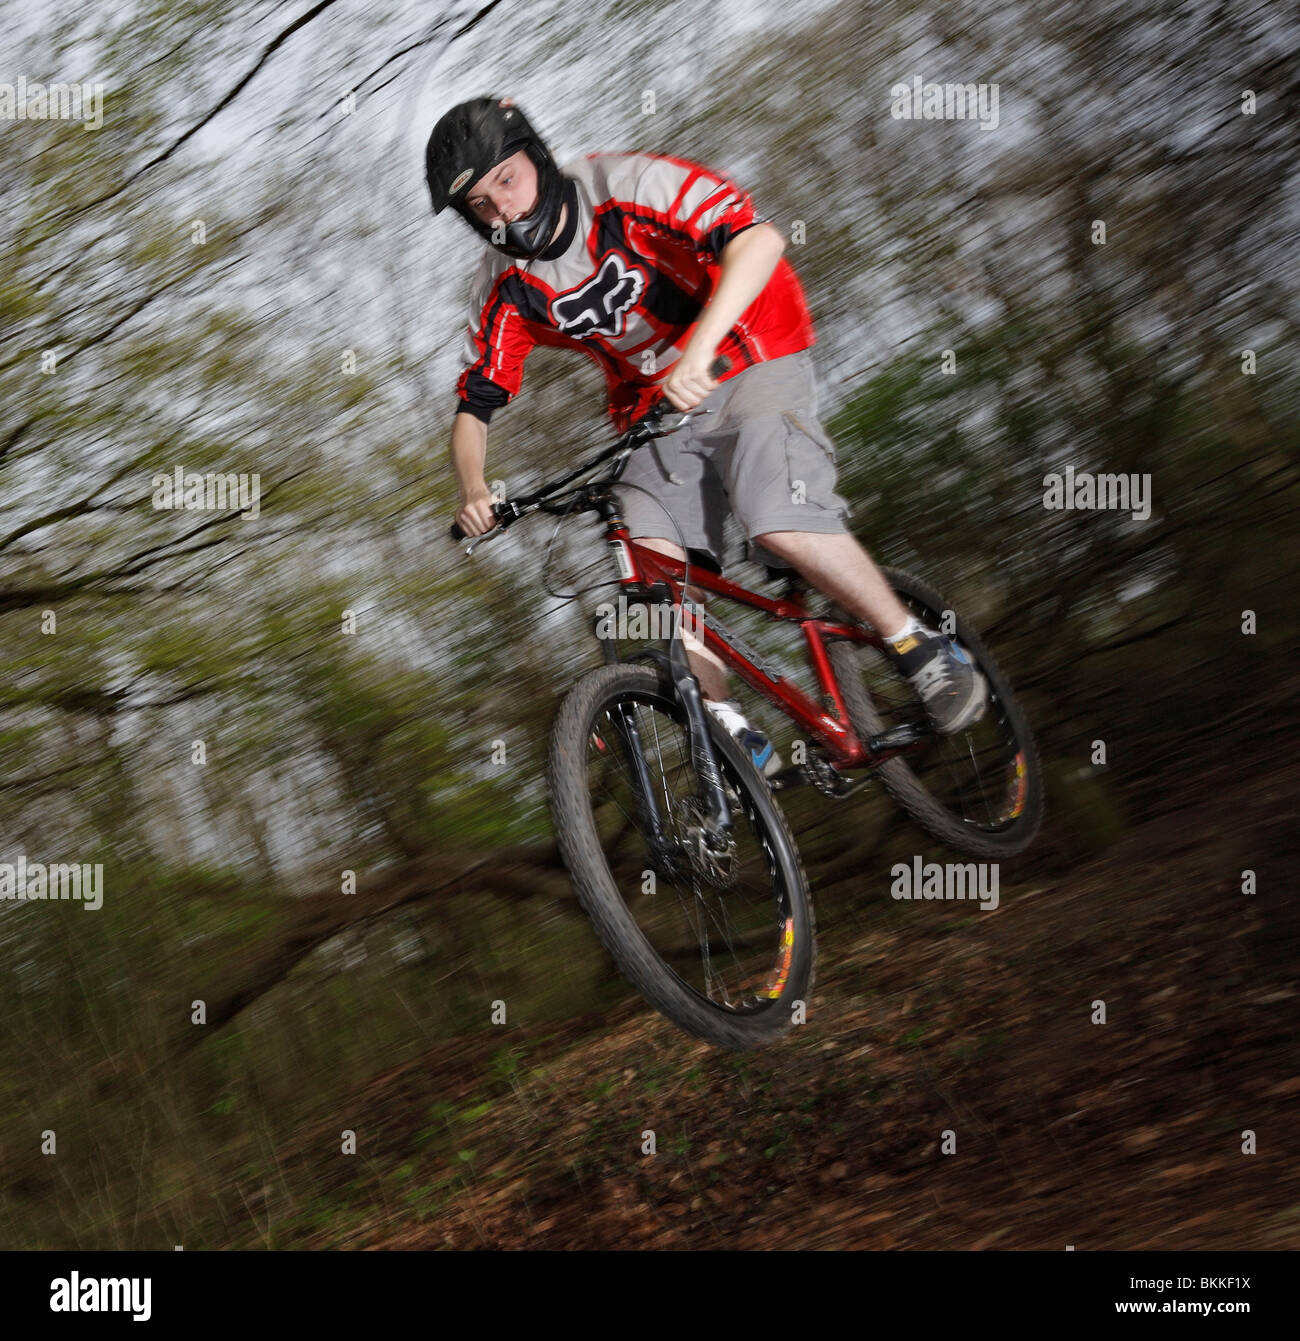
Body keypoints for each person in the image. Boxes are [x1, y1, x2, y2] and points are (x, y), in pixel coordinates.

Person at [428, 96, 987, 774]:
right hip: (656, 405)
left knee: (775, 519)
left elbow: (758, 240)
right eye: (481, 206)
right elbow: (475, 402)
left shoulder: (628, 186)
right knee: (646, 567)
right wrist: (475, 487)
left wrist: (697, 352)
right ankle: (723, 722)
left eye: (507, 182)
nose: (505, 213)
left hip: (749, 342)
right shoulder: (502, 287)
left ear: (537, 156)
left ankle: (917, 645)